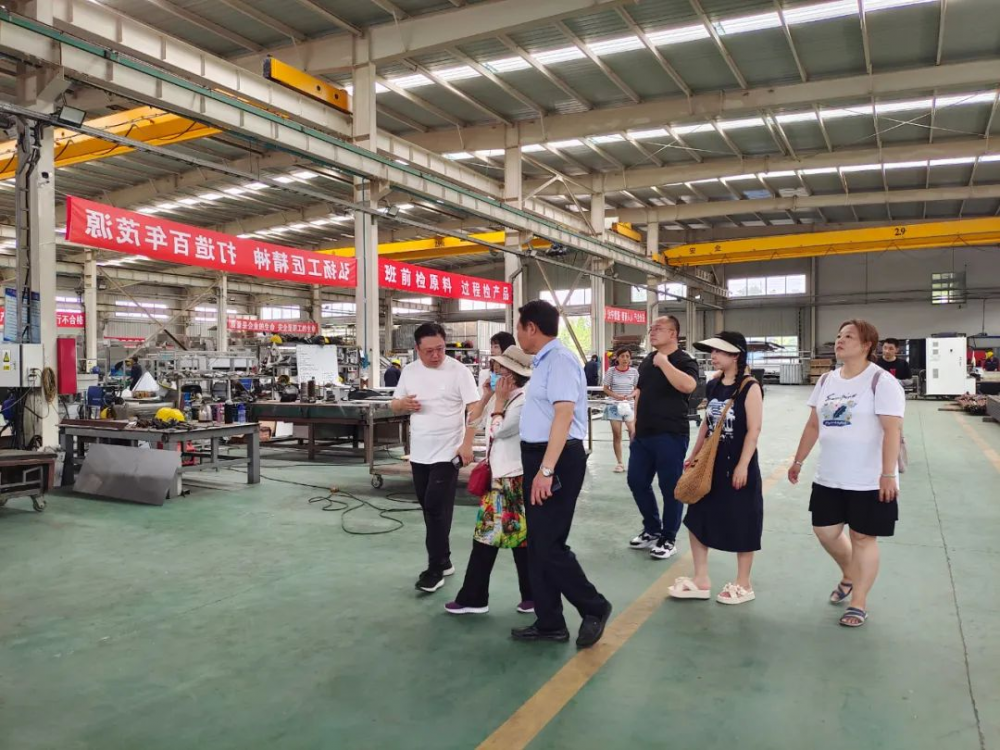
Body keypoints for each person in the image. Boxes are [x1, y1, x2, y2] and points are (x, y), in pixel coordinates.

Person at [788, 319, 905, 628]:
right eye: (839, 335)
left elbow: (892, 431)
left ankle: (858, 602)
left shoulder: (881, 382)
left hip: (869, 478)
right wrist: (798, 460)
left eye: (848, 336)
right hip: (830, 474)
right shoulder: (827, 380)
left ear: (867, 345)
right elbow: (814, 424)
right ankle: (851, 574)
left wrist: (887, 474)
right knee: (825, 531)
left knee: (863, 537)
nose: (840, 340)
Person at [513, 300, 612, 648]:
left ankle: (594, 607)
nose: (517, 333)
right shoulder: (542, 362)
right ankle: (550, 622)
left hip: (555, 459)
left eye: (519, 326)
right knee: (538, 544)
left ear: (532, 328)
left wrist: (546, 469)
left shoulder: (560, 361)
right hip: (539, 457)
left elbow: (564, 416)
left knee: (549, 545)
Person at [668, 332, 764, 605]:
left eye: (720, 351)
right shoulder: (713, 385)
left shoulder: (749, 387)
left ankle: (744, 583)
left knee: (743, 520)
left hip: (738, 465)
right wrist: (694, 454)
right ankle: (701, 580)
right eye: (712, 351)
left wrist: (743, 465)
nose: (714, 356)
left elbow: (754, 430)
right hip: (711, 464)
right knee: (697, 517)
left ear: (736, 355)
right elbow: (707, 424)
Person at [391, 322, 481, 594]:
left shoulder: (459, 371)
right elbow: (394, 403)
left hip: (448, 451)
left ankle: (434, 569)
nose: (436, 355)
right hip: (419, 452)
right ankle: (444, 559)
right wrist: (402, 404)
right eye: (429, 351)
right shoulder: (409, 371)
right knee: (432, 509)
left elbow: (475, 408)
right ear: (417, 349)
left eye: (440, 349)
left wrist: (467, 444)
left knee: (434, 506)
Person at [446, 346, 534, 616]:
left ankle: (476, 597)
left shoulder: (522, 402)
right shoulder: (501, 399)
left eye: (499, 370)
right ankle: (531, 595)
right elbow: (473, 420)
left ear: (513, 376)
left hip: (511, 479)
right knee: (516, 539)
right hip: (501, 477)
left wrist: (497, 405)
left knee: (493, 538)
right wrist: (486, 397)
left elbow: (499, 430)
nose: (494, 374)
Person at [627, 316, 700, 560]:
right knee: (637, 481)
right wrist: (634, 423)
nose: (652, 332)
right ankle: (652, 529)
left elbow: (688, 386)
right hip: (643, 434)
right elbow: (639, 393)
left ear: (673, 333)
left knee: (671, 488)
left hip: (670, 434)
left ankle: (668, 538)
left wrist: (665, 363)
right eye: (651, 329)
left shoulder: (684, 359)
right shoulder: (648, 360)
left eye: (658, 328)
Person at [602, 347, 639, 473]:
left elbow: (637, 389)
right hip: (614, 405)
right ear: (617, 358)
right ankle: (620, 463)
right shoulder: (611, 371)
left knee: (633, 433)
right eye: (622, 356)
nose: (625, 359)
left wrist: (630, 395)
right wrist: (616, 396)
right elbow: (605, 388)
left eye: (627, 356)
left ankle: (634, 461)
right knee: (617, 434)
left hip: (629, 405)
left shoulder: (634, 372)